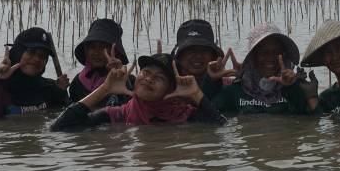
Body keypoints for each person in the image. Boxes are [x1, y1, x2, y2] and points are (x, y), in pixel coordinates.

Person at [51, 53, 226, 129]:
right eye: (146, 72)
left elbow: (221, 127)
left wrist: (196, 94)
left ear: (171, 91)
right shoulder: (116, 115)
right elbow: (60, 127)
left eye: (160, 78)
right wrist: (104, 89)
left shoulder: (185, 116)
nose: (149, 79)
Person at [204, 23, 313, 115]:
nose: (270, 58)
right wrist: (211, 80)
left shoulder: (294, 87)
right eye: (264, 53)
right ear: (253, 57)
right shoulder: (235, 91)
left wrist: (291, 87)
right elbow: (206, 118)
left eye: (276, 53)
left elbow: (307, 121)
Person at [0, 27, 69, 120]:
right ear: (17, 53)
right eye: (31, 52)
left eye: (42, 56)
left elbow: (64, 122)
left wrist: (60, 94)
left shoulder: (52, 88)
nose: (37, 59)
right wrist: (0, 83)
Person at [69, 18, 133, 106]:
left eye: (103, 48)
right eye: (92, 47)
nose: (96, 53)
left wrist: (125, 82)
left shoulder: (128, 81)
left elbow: (134, 110)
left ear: (115, 51)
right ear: (86, 50)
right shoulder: (77, 83)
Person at [172, 19, 230, 85]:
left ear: (213, 56)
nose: (198, 56)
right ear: (179, 56)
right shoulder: (166, 86)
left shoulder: (228, 86)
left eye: (204, 50)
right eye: (191, 50)